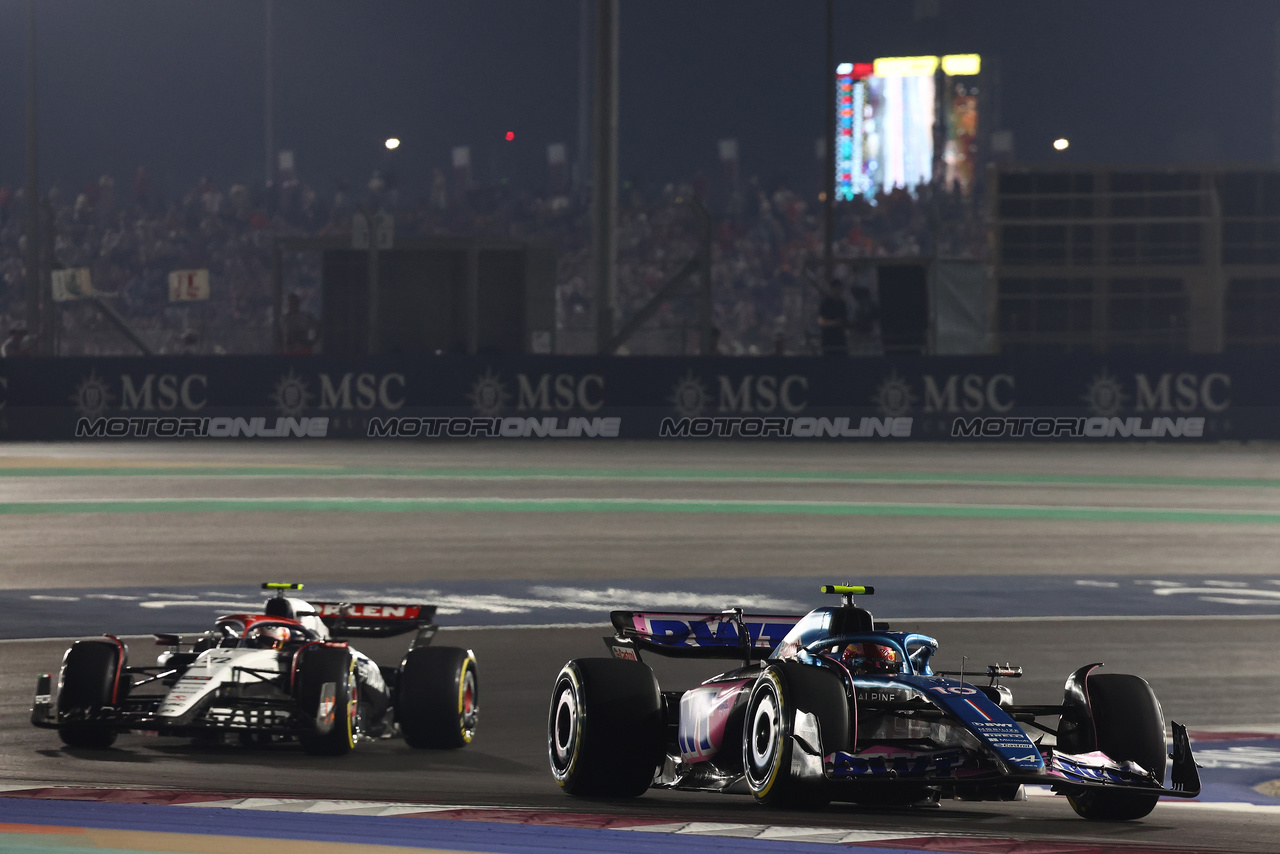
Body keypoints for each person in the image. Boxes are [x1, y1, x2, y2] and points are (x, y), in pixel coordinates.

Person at [817, 283, 849, 356]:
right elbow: (821, 320)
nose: (838, 291)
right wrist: (834, 323)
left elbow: (844, 320)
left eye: (839, 289)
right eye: (836, 289)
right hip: (828, 338)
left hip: (839, 338)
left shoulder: (842, 303)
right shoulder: (825, 303)